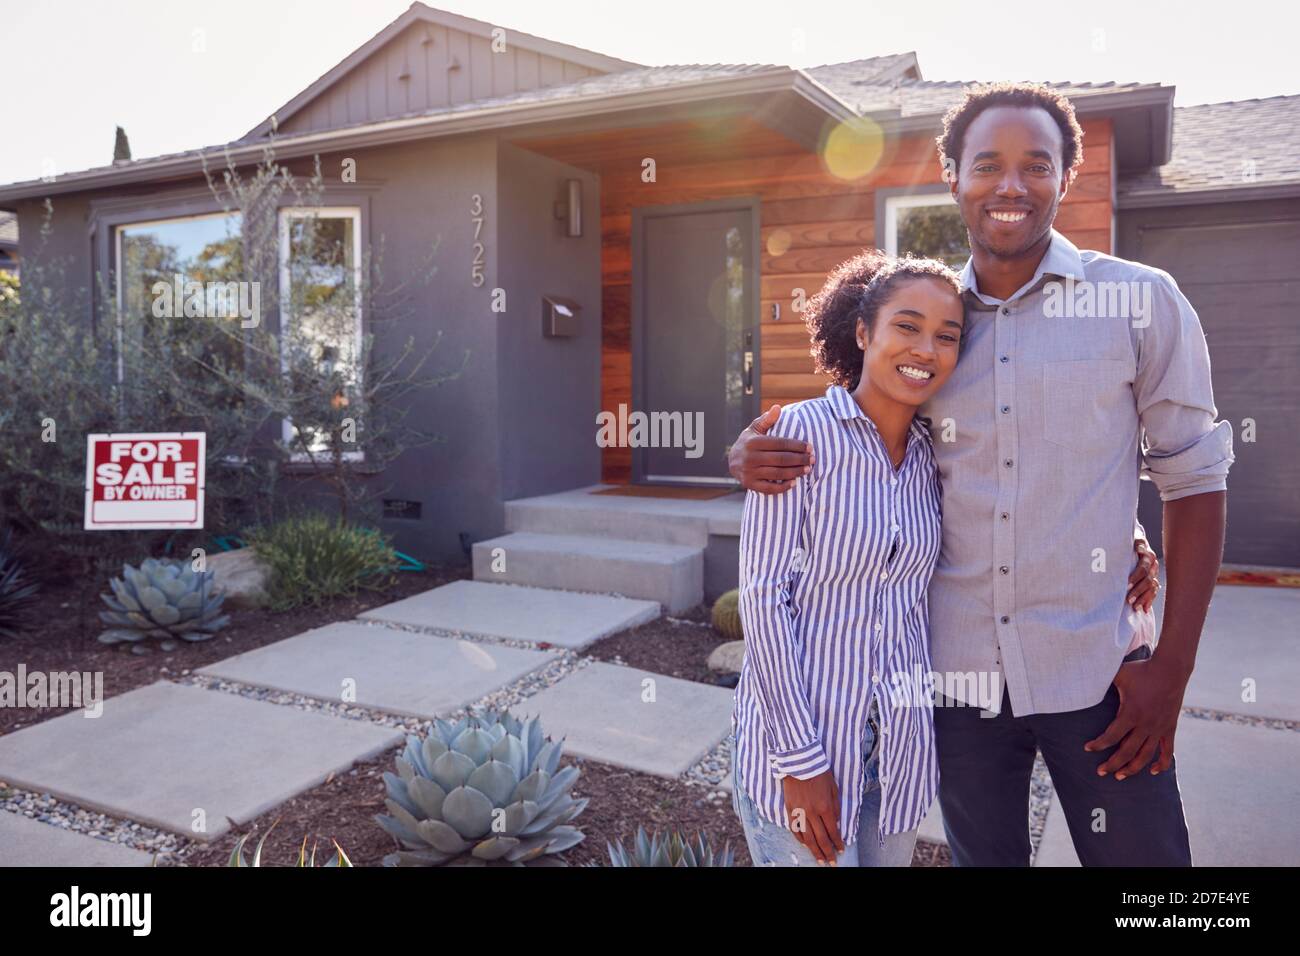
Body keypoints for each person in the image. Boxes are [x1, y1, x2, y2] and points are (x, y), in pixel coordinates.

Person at [728, 82, 1231, 867]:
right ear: (952, 174)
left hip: (1098, 677)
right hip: (955, 687)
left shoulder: (1141, 301)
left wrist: (1171, 666)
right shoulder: (931, 323)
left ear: (1068, 176)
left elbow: (1195, 480)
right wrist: (749, 452)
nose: (1010, 185)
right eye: (987, 164)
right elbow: (863, 432)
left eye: (1036, 164)